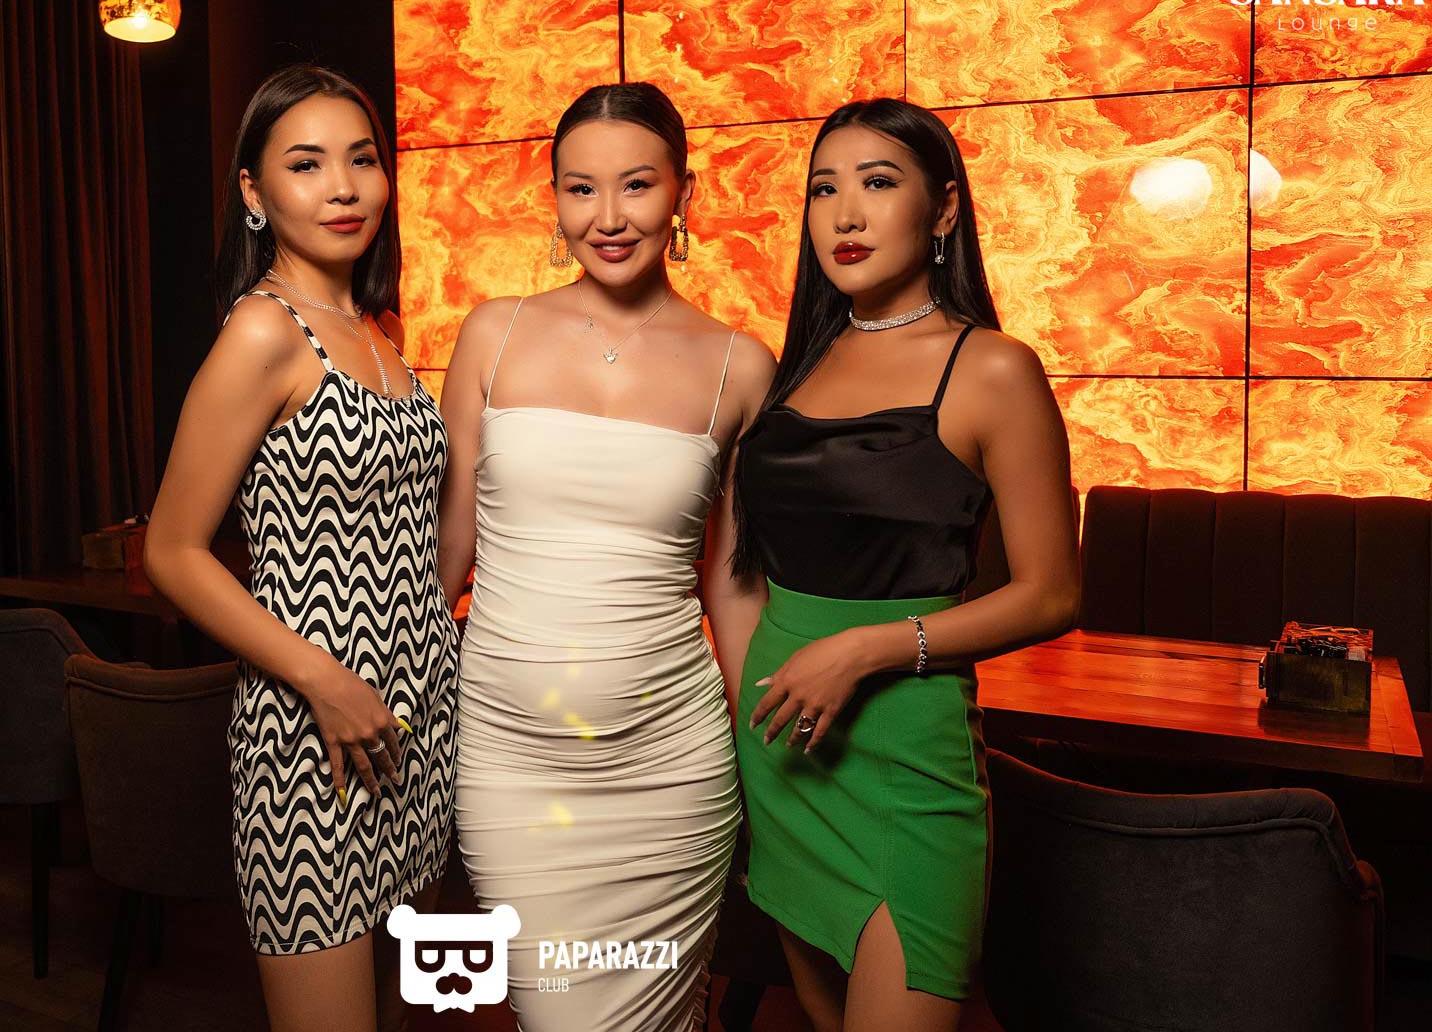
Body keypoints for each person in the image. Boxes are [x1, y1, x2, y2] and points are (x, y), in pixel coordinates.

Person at [726, 97, 1081, 1030]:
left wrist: (866, 649)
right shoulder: (795, 364)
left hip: (904, 754)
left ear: (945, 209)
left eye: (878, 183)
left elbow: (1052, 593)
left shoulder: (993, 368)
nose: (846, 214)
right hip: (781, 747)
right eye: (823, 190)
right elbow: (743, 569)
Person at [437, 82, 775, 1030]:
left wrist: (769, 766)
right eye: (580, 189)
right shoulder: (494, 332)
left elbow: (732, 587)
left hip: (673, 767)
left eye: (637, 185)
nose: (609, 217)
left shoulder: (741, 365)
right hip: (512, 762)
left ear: (684, 193)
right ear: (553, 198)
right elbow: (448, 555)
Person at [142, 65, 455, 1032]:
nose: (344, 187)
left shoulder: (381, 329)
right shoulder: (262, 332)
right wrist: (325, 681)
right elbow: (172, 551)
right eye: (307, 164)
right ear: (255, 190)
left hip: (417, 723)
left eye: (362, 159)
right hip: (310, 739)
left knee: (409, 1016)